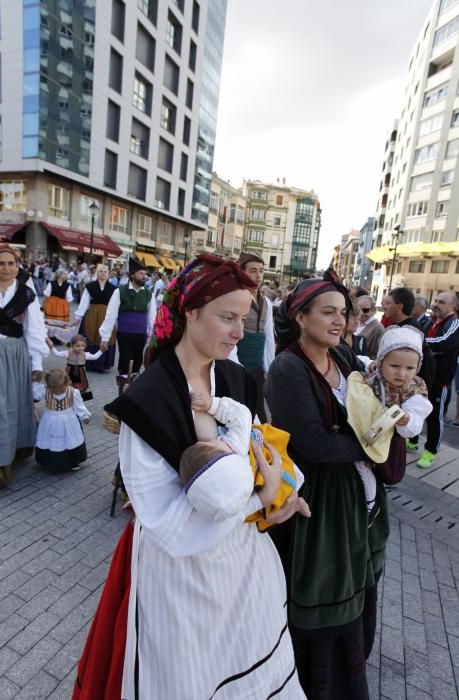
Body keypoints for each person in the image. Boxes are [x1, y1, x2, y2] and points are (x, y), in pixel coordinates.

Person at [73, 254, 306, 700]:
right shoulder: (148, 399)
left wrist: (284, 496)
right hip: (181, 573)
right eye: (228, 318)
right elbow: (166, 523)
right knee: (189, 678)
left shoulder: (239, 380)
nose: (240, 331)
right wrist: (262, 499)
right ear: (191, 311)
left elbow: (262, 453)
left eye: (244, 317)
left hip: (242, 567)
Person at [266, 270, 390, 699]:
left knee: (355, 595)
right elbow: (315, 445)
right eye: (329, 312)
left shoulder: (344, 359)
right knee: (326, 604)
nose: (341, 322)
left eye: (345, 313)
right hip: (319, 509)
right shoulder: (288, 367)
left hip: (356, 504)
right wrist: (374, 440)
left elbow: (375, 410)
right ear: (301, 317)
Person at [180, 391, 309, 528]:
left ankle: (297, 505)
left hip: (260, 504)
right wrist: (213, 405)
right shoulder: (235, 445)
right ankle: (297, 503)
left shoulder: (215, 500)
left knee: (250, 514)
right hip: (277, 480)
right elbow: (242, 415)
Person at [346, 325, 432, 522]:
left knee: (379, 470)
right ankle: (366, 496)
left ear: (417, 367)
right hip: (364, 431)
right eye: (395, 366)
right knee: (361, 464)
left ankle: (372, 501)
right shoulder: (374, 373)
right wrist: (369, 365)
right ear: (381, 361)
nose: (402, 373)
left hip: (389, 440)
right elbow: (363, 360)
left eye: (410, 368)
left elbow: (416, 423)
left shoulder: (414, 391)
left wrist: (407, 420)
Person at [0, 243, 49, 489]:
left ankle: (6, 458)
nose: (6, 268)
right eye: (0, 263)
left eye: (11, 263)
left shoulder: (25, 293)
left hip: (15, 354)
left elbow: (34, 330)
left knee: (9, 405)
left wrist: (36, 364)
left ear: (17, 266)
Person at [99, 258, 156, 391]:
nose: (144, 277)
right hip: (124, 334)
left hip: (141, 335)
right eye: (141, 274)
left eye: (145, 274)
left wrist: (153, 336)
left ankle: (133, 394)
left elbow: (152, 317)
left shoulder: (148, 293)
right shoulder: (120, 291)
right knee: (125, 363)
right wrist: (105, 338)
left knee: (137, 363)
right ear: (132, 274)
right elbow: (110, 315)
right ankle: (122, 393)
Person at [416, 291, 459, 468]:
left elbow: (444, 342)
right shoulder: (432, 321)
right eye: (436, 300)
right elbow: (434, 344)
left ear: (453, 307)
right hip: (423, 376)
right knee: (416, 408)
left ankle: (430, 451)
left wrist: (421, 343)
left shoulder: (454, 323)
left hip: (439, 380)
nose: (436, 304)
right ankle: (412, 440)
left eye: (441, 302)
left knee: (434, 417)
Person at [236, 252, 275, 423]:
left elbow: (268, 336)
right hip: (237, 361)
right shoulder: (235, 297)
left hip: (257, 365)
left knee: (259, 410)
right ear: (242, 272)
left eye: (261, 271)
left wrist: (269, 367)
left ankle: (262, 443)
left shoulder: (266, 301)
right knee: (238, 408)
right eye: (253, 270)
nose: (258, 275)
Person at [32, 367, 90, 472]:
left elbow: (79, 406)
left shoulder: (73, 392)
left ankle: (73, 461)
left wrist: (84, 416)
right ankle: (49, 461)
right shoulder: (45, 390)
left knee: (71, 440)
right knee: (50, 441)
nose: (58, 392)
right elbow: (35, 394)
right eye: (54, 389)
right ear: (49, 386)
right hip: (50, 420)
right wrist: (35, 382)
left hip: (69, 420)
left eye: (61, 389)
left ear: (67, 382)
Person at [382, 287, 435, 392]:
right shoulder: (400, 326)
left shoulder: (409, 331)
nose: (384, 307)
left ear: (399, 306)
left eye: (388, 303)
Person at [75, 264, 116, 371]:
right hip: (92, 315)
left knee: (104, 337)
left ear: (108, 274)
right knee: (91, 335)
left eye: (105, 271)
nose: (103, 274)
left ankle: (102, 365)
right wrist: (78, 316)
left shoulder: (113, 288)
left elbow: (115, 304)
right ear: (97, 273)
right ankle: (89, 363)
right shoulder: (90, 286)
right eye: (100, 271)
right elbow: (84, 302)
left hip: (107, 315)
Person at [49, 334, 102, 401]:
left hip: (81, 376)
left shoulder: (85, 354)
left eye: (82, 346)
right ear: (72, 345)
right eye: (77, 346)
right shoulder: (68, 353)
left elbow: (95, 357)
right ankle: (67, 399)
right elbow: (57, 354)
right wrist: (52, 347)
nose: (80, 348)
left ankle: (78, 400)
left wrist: (101, 351)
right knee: (68, 386)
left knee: (79, 388)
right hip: (69, 374)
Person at [353, 294, 384, 359]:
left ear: (374, 310)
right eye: (358, 310)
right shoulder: (356, 323)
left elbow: (377, 355)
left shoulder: (378, 328)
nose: (361, 313)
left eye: (365, 310)